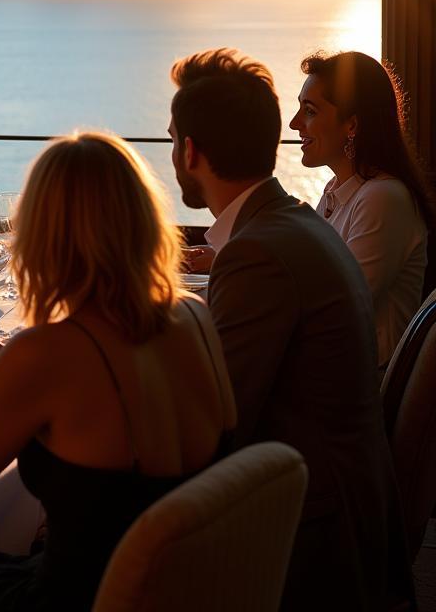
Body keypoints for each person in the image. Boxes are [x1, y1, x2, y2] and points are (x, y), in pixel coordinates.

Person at [0, 132, 235, 612]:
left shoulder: (48, 353)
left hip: (83, 598)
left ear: (42, 237)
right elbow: (111, 391)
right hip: (180, 592)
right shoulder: (195, 317)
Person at [168, 47, 411, 610]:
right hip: (343, 502)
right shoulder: (287, 222)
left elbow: (210, 428)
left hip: (313, 540)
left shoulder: (259, 253)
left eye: (173, 136)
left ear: (189, 151)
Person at [290, 51, 431, 369]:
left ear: (352, 125)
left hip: (364, 388)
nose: (295, 123)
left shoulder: (383, 197)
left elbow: (338, 304)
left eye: (309, 111)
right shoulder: (335, 193)